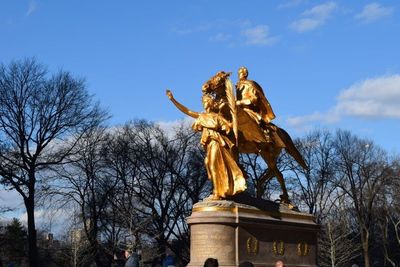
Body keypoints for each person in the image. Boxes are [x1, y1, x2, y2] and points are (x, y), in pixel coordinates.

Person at [166, 90, 246, 199]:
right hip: (209, 145)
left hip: (216, 143)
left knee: (213, 164)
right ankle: (219, 189)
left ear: (211, 102)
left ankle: (218, 192)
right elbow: (188, 111)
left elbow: (228, 128)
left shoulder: (218, 117)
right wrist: (173, 100)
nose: (204, 103)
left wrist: (231, 124)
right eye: (203, 101)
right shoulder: (202, 115)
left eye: (206, 101)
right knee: (208, 163)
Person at [236, 66, 279, 144]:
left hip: (249, 109)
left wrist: (241, 102)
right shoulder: (238, 87)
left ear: (245, 74)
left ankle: (266, 136)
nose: (239, 75)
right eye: (238, 73)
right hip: (240, 110)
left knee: (256, 119)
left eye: (241, 73)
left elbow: (254, 98)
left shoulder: (250, 84)